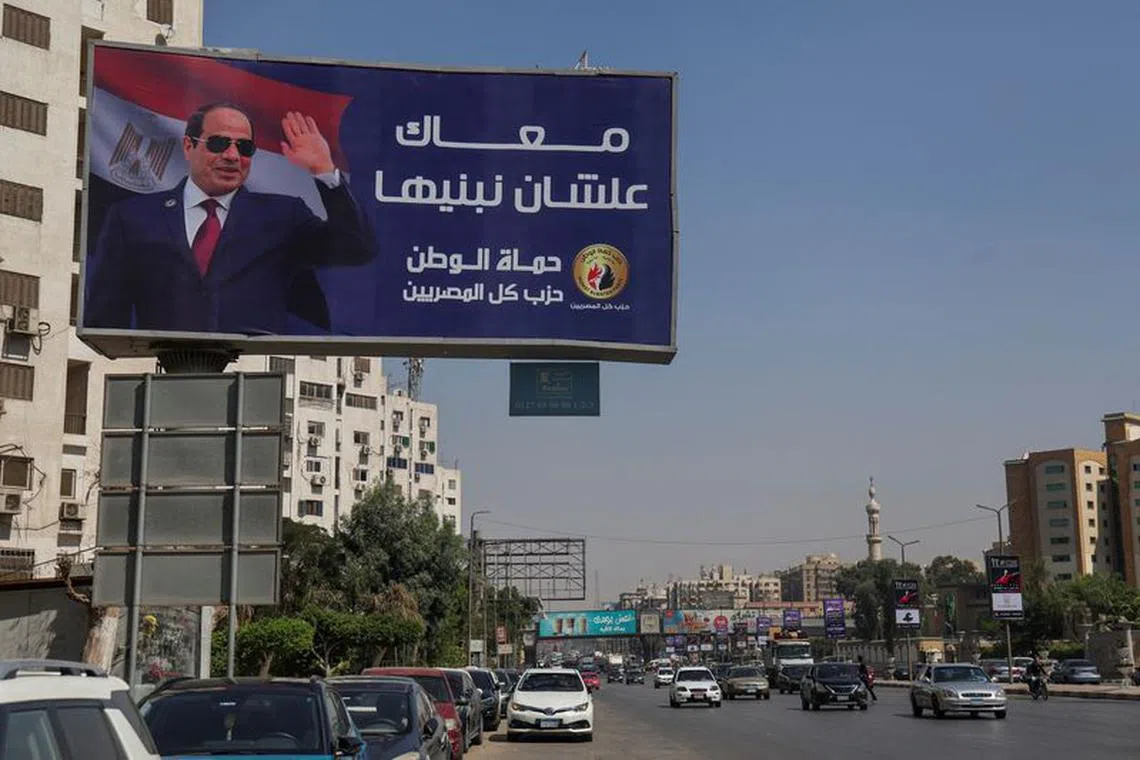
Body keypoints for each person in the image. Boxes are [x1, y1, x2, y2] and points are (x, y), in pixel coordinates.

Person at [85, 102, 377, 335]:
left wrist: (324, 170)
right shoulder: (133, 217)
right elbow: (105, 317)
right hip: (164, 370)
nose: (232, 155)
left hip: (253, 374)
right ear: (189, 146)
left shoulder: (282, 216)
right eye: (218, 144)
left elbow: (357, 247)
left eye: (244, 147)